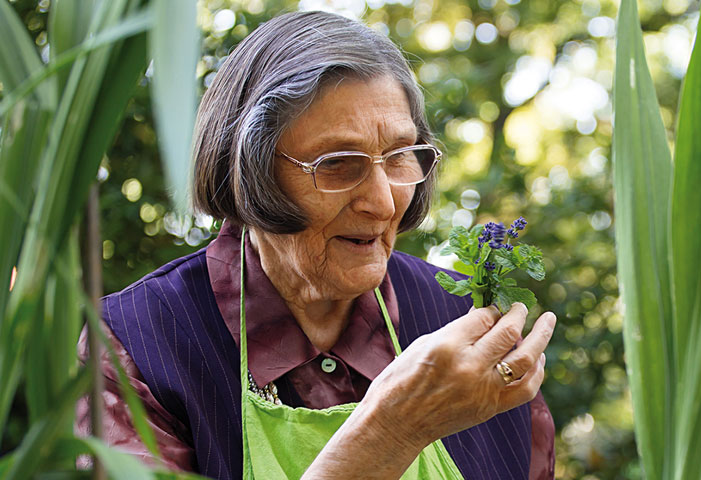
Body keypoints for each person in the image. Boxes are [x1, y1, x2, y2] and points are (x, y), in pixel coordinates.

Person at [76, 11, 557, 480]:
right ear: (249, 171)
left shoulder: (467, 325)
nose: (383, 202)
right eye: (337, 163)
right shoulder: (135, 346)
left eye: (399, 156)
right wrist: (391, 432)